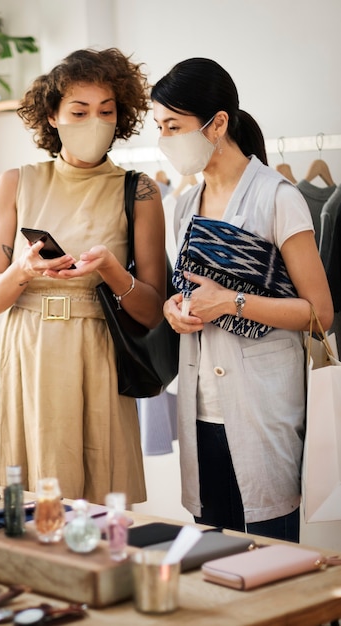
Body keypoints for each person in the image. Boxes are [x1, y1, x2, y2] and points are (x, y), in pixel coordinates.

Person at [151, 58, 334, 542]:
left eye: (174, 126)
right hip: (201, 407)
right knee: (212, 551)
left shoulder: (278, 197)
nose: (165, 139)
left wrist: (230, 302)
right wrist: (175, 308)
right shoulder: (186, 205)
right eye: (160, 127)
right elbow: (187, 290)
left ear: (217, 124)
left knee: (270, 550)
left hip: (263, 406)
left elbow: (319, 313)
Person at [0, 48, 166, 505]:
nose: (94, 123)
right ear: (53, 116)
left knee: (99, 506)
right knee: (32, 505)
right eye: (79, 112)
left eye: (106, 112)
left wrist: (111, 270)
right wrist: (23, 269)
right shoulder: (16, 181)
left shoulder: (139, 190)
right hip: (29, 350)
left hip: (99, 354)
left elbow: (153, 311)